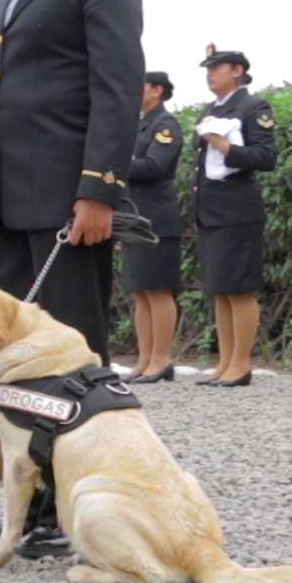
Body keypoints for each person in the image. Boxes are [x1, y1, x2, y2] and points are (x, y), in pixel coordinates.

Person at [0, 0, 145, 555]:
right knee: (20, 360)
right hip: (13, 197)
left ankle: (81, 499)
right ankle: (36, 502)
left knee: (70, 354)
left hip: (66, 198)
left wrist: (98, 188)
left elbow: (115, 86)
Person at [191, 45, 276, 387]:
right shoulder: (212, 109)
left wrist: (226, 147)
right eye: (208, 69)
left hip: (238, 210)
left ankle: (240, 364)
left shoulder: (253, 107)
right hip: (211, 210)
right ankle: (225, 362)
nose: (210, 74)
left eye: (217, 67)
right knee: (221, 289)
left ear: (238, 70)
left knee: (240, 288)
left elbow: (266, 156)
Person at [125, 71, 186, 383]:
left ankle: (161, 359)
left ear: (157, 90)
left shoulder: (165, 126)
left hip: (157, 217)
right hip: (135, 218)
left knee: (158, 289)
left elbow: (155, 166)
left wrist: (116, 163)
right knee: (140, 291)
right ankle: (145, 358)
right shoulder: (138, 125)